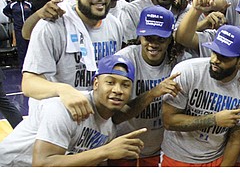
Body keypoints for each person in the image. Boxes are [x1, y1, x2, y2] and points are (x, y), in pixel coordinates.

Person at [21, 0, 124, 122]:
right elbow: (28, 84)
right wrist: (63, 90)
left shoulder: (114, 25)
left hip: (96, 120)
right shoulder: (53, 25)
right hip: (59, 120)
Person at [0, 55, 147, 166]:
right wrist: (106, 151)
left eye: (125, 85)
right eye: (110, 82)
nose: (117, 90)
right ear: (96, 83)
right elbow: (42, 164)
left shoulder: (109, 127)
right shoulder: (63, 109)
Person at [161, 25, 240, 167]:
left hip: (214, 160)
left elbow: (235, 141)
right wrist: (213, 119)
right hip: (176, 157)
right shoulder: (187, 71)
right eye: (214, 52)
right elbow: (168, 121)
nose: (215, 60)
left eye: (224, 57)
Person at [108, 6, 184, 167]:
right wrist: (152, 93)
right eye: (148, 38)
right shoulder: (124, 61)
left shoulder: (178, 60)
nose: (153, 44)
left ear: (170, 38)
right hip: (124, 148)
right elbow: (116, 116)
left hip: (159, 149)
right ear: (140, 36)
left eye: (160, 39)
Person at [3, 0, 32, 69]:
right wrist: (12, 17)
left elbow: (34, 12)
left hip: (29, 28)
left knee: (30, 47)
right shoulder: (12, 5)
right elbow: (5, 11)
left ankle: (31, 65)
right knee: (21, 48)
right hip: (18, 29)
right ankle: (22, 66)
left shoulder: (29, 4)